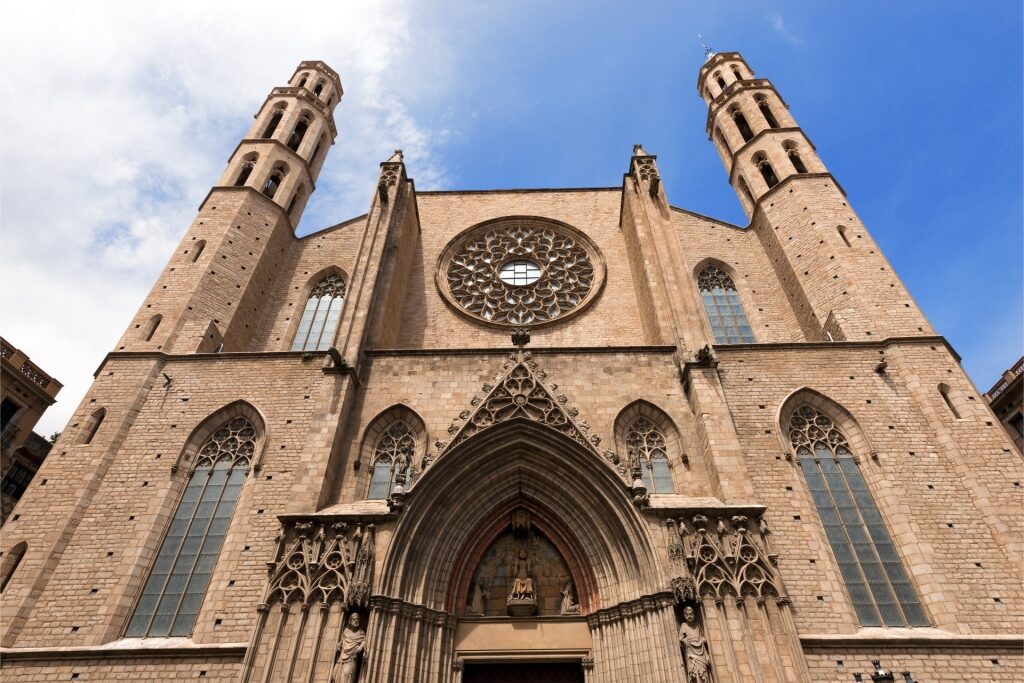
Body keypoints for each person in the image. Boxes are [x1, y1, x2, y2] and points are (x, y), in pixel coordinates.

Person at [678, 606, 711, 683]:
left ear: (693, 614)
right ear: (685, 616)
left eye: (691, 614)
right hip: (690, 653)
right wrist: (685, 641)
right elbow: (680, 638)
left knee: (703, 673)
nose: (689, 616)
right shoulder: (683, 625)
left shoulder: (697, 625)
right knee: (694, 673)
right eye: (687, 614)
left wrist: (703, 640)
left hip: (701, 652)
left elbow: (702, 637)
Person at [335, 612, 366, 683]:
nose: (356, 621)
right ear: (350, 620)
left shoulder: (360, 632)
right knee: (336, 673)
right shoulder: (346, 631)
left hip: (352, 658)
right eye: (354, 619)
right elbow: (342, 641)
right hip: (342, 657)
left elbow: (364, 641)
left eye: (357, 619)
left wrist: (360, 647)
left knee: (347, 673)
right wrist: (339, 646)